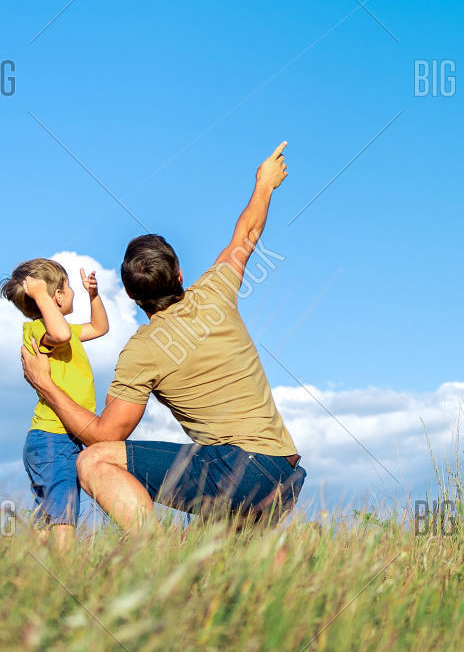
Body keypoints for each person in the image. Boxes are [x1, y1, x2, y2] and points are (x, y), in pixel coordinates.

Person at [20, 141, 303, 530]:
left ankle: (151, 555)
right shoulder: (216, 291)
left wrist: (46, 385)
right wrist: (265, 184)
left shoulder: (142, 351)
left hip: (237, 472)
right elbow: (247, 232)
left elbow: (103, 436)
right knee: (212, 579)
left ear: (133, 296)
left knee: (94, 461)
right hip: (284, 475)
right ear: (181, 274)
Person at [0, 259, 109, 548]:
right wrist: (41, 295)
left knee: (50, 515)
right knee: (63, 512)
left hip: (63, 438)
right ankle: (66, 573)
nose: (72, 291)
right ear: (55, 297)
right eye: (69, 287)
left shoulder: (67, 330)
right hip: (53, 436)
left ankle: (37, 570)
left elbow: (100, 327)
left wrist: (93, 297)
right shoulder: (36, 331)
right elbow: (58, 334)